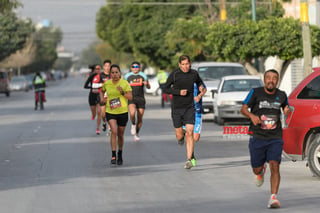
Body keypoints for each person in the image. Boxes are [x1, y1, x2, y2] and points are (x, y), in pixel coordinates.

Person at [240, 69, 291, 209]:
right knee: (256, 169)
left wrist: (287, 110)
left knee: (275, 165)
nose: (271, 80)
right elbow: (243, 108)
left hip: (275, 137)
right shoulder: (255, 92)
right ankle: (260, 170)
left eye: (274, 78)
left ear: (278, 80)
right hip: (257, 136)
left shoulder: (281, 95)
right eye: (268, 77)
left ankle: (273, 197)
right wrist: (252, 116)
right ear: (264, 79)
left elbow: (286, 107)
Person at [163, 55, 206, 169]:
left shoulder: (194, 74)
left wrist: (200, 93)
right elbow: (166, 88)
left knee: (190, 132)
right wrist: (178, 92)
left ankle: (189, 159)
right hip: (177, 108)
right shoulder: (175, 74)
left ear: (190, 63)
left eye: (187, 64)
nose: (185, 66)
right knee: (179, 135)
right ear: (179, 65)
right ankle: (181, 137)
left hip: (190, 107)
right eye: (183, 64)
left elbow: (201, 85)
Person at [99, 64, 132, 166]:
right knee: (114, 131)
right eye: (112, 73)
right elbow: (101, 91)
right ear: (110, 74)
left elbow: (130, 97)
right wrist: (101, 99)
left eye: (116, 72)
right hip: (111, 112)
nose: (114, 74)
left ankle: (120, 153)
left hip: (122, 112)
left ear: (120, 73)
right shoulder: (107, 83)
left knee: (120, 134)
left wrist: (122, 93)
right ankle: (113, 155)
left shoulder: (125, 83)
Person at [124, 61, 150, 141]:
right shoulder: (127, 76)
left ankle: (137, 133)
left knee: (140, 117)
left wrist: (146, 84)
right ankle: (133, 124)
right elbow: (123, 86)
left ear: (139, 68)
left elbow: (149, 87)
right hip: (131, 98)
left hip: (141, 98)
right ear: (131, 68)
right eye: (133, 67)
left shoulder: (143, 75)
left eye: (137, 67)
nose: (135, 68)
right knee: (132, 113)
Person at [183, 83, 207, 167]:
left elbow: (204, 89)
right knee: (188, 134)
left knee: (195, 138)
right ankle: (189, 158)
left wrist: (200, 95)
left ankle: (191, 154)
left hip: (197, 112)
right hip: (185, 112)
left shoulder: (196, 80)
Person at [84, 64, 102, 135]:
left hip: (100, 95)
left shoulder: (102, 76)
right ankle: (93, 114)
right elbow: (85, 86)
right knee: (94, 112)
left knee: (99, 112)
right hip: (92, 95)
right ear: (94, 70)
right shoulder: (92, 76)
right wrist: (93, 87)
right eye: (96, 69)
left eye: (99, 69)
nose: (98, 70)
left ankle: (98, 128)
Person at [100, 59, 112, 134]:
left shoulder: (113, 74)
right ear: (103, 67)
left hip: (111, 97)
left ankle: (110, 127)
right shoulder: (100, 75)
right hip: (102, 97)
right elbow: (95, 85)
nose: (107, 67)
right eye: (106, 66)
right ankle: (104, 122)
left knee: (111, 113)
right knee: (104, 114)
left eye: (109, 66)